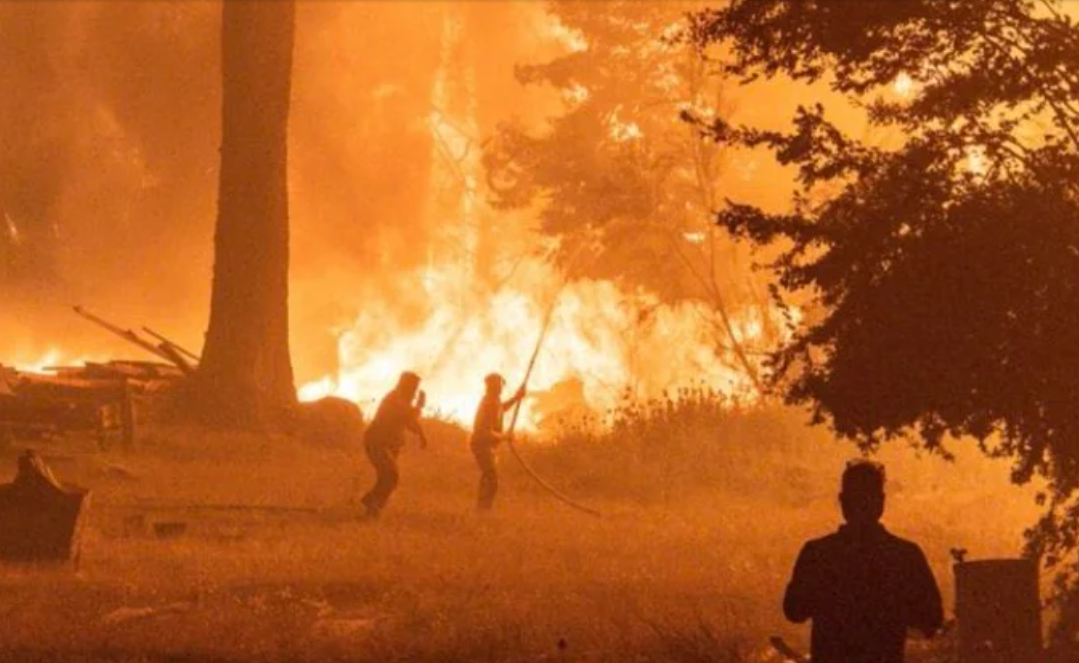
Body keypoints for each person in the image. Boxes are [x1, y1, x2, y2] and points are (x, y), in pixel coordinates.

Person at [783, 460, 944, 663]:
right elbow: (931, 619)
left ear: (842, 501)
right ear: (881, 502)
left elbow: (794, 611)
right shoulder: (905, 555)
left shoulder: (817, 553)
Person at [360, 371, 428, 519]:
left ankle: (370, 506)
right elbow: (406, 416)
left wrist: (421, 435)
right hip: (377, 442)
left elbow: (409, 422)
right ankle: (370, 504)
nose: (414, 392)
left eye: (416, 388)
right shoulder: (394, 398)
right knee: (391, 476)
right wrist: (419, 407)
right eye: (413, 387)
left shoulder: (403, 400)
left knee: (386, 477)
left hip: (388, 444)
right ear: (404, 385)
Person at [470, 373, 526, 510]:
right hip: (481, 445)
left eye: (500, 385)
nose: (500, 388)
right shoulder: (489, 402)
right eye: (497, 385)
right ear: (490, 386)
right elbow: (485, 431)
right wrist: (504, 436)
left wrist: (516, 398)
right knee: (491, 480)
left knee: (488, 478)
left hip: (487, 446)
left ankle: (482, 510)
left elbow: (502, 408)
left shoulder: (494, 400)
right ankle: (483, 510)